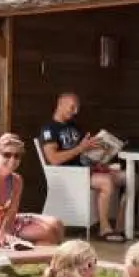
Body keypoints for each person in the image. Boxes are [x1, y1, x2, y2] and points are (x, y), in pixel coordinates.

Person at [41, 92, 128, 243]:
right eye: (72, 107)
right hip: (69, 174)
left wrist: (100, 154)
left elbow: (84, 152)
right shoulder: (49, 129)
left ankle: (120, 225)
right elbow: (53, 159)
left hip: (86, 169)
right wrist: (80, 148)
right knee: (106, 181)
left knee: (127, 177)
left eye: (77, 108)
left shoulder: (75, 126)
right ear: (60, 104)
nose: (75, 111)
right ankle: (104, 228)